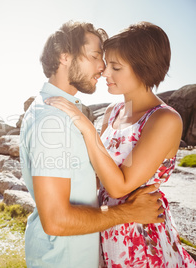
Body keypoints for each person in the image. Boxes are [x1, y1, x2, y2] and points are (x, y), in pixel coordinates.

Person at [45, 22, 196, 267]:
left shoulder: (164, 119)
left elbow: (120, 186)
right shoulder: (113, 112)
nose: (105, 73)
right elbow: (99, 173)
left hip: (141, 238)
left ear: (143, 69)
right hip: (108, 227)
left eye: (116, 67)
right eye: (107, 64)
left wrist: (87, 128)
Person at [20, 21, 165, 268]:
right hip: (64, 258)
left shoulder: (60, 111)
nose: (102, 67)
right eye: (96, 56)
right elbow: (56, 220)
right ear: (64, 57)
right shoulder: (53, 121)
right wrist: (129, 212)